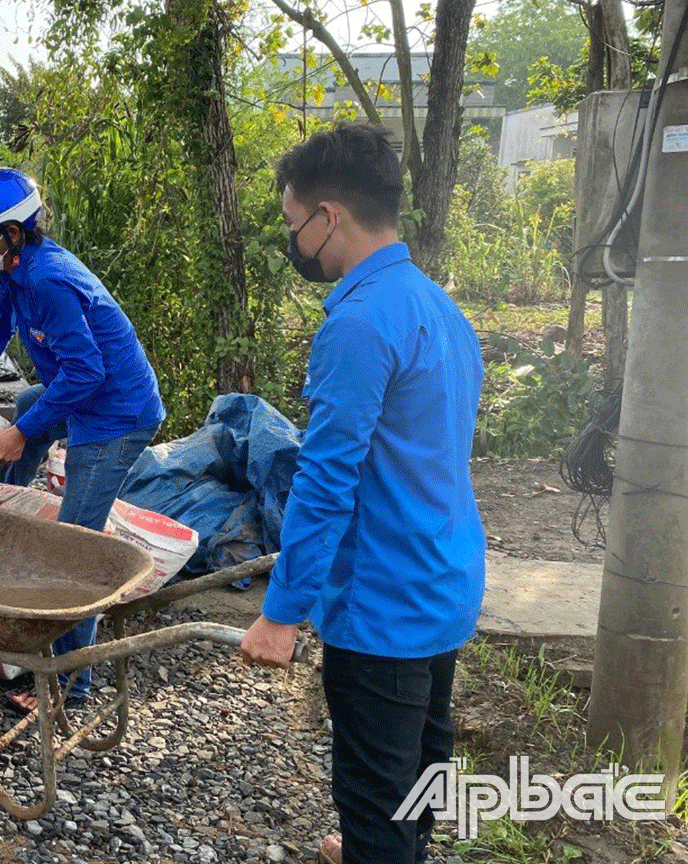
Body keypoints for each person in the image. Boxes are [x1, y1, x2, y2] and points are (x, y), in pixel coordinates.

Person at [238, 124, 485, 864]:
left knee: (375, 797)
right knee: (423, 764)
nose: (295, 242)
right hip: (444, 578)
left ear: (328, 216)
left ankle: (380, 848)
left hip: (385, 599)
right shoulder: (435, 306)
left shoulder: (358, 323)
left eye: (292, 225)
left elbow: (326, 478)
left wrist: (281, 613)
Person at [0, 167, 165, 712]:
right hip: (91, 393)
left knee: (73, 548)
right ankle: (0, 510)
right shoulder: (15, 274)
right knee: (23, 403)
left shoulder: (48, 280)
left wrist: (20, 434)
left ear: (11, 232)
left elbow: (85, 374)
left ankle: (71, 685)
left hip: (118, 413)